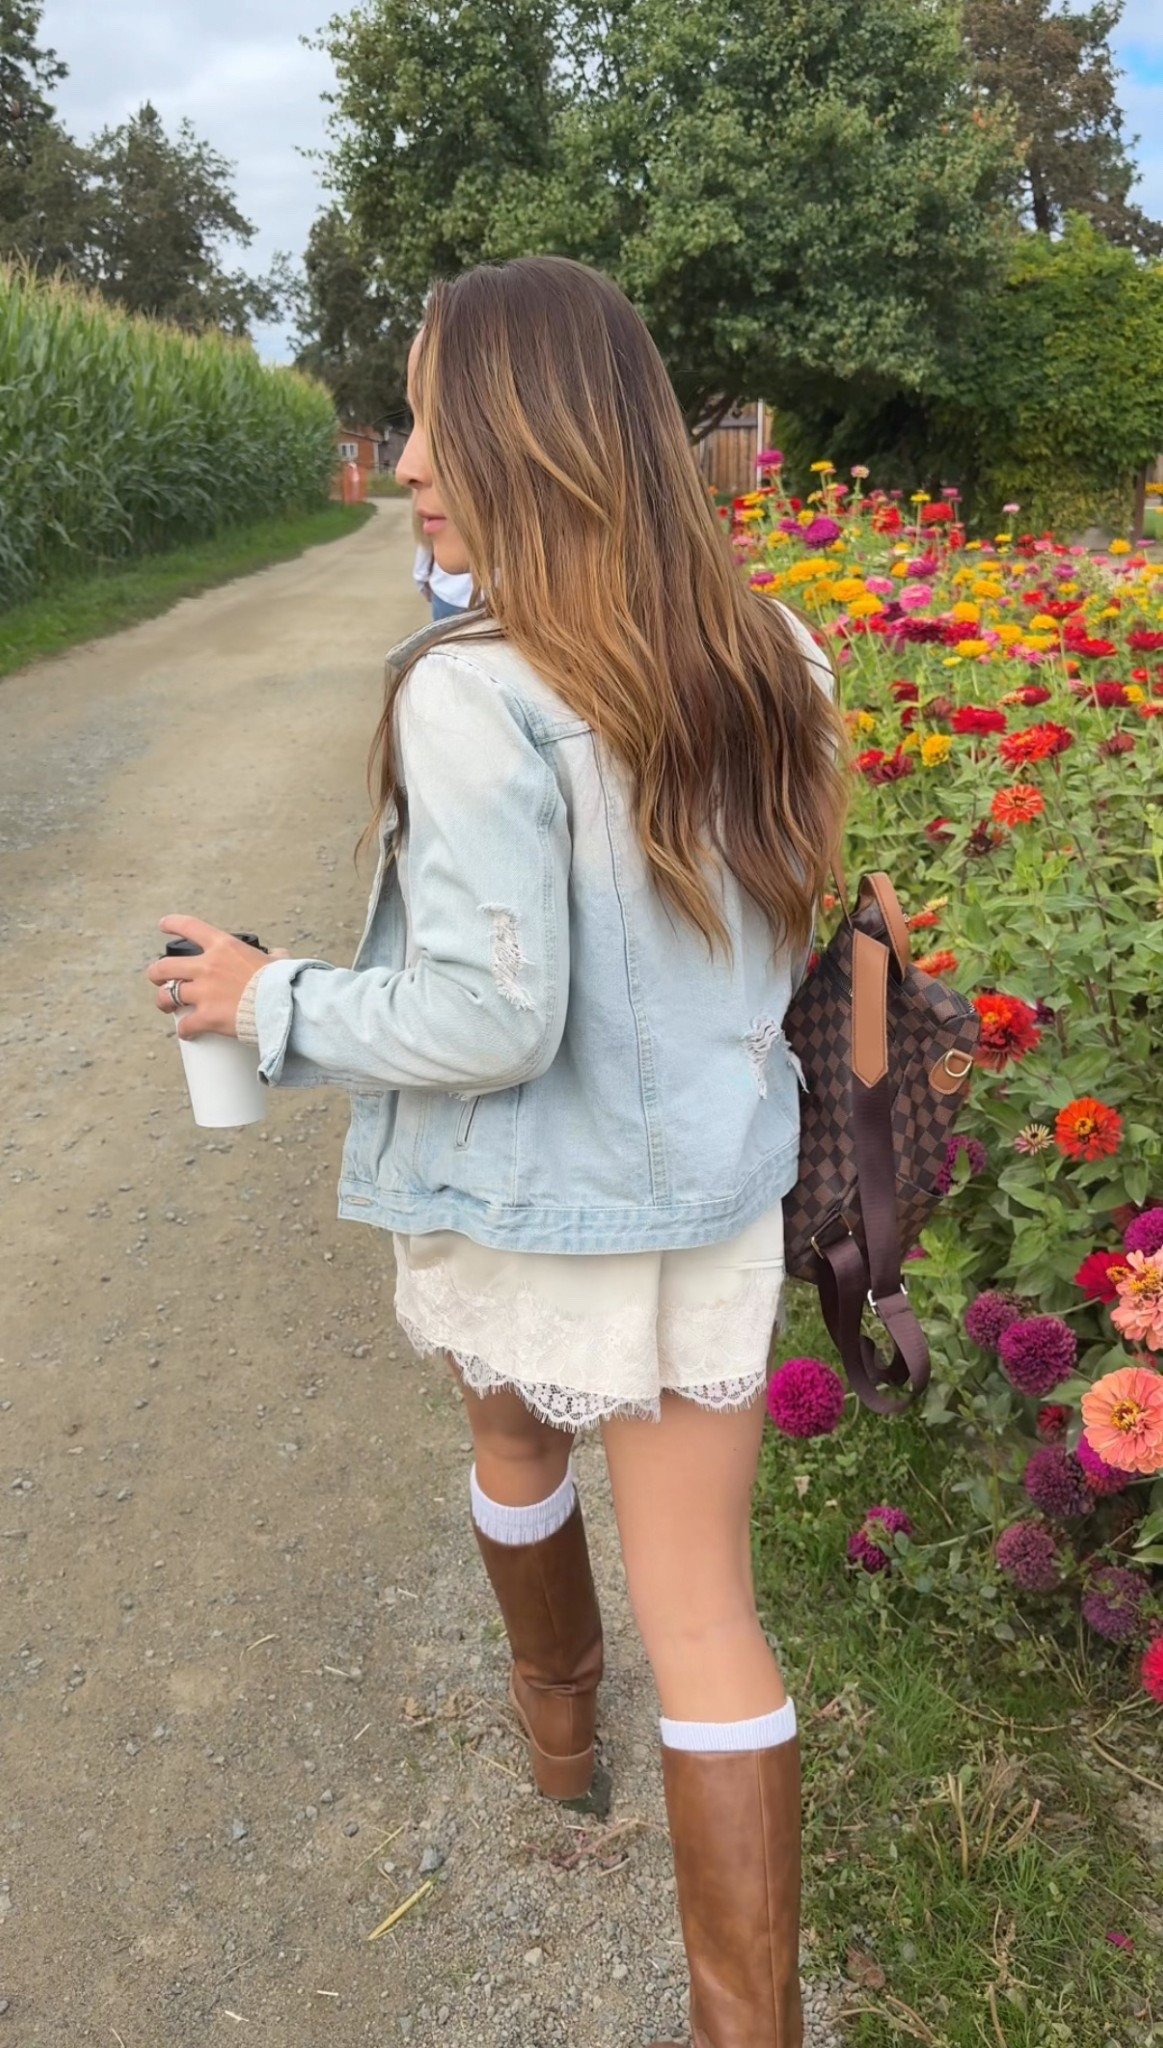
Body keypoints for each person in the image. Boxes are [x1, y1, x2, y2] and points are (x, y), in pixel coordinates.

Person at [146, 255, 847, 2048]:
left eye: (431, 425)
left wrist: (268, 998)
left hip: (527, 1205)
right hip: (708, 1211)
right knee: (711, 1614)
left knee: (511, 1434)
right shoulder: (775, 651)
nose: (403, 470)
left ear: (534, 438)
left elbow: (486, 1019)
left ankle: (555, 1731)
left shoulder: (472, 689)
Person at [412, 503, 474, 619]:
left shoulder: (435, 513)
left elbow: (425, 548)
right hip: (495, 597)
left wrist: (422, 582)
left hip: (447, 595)